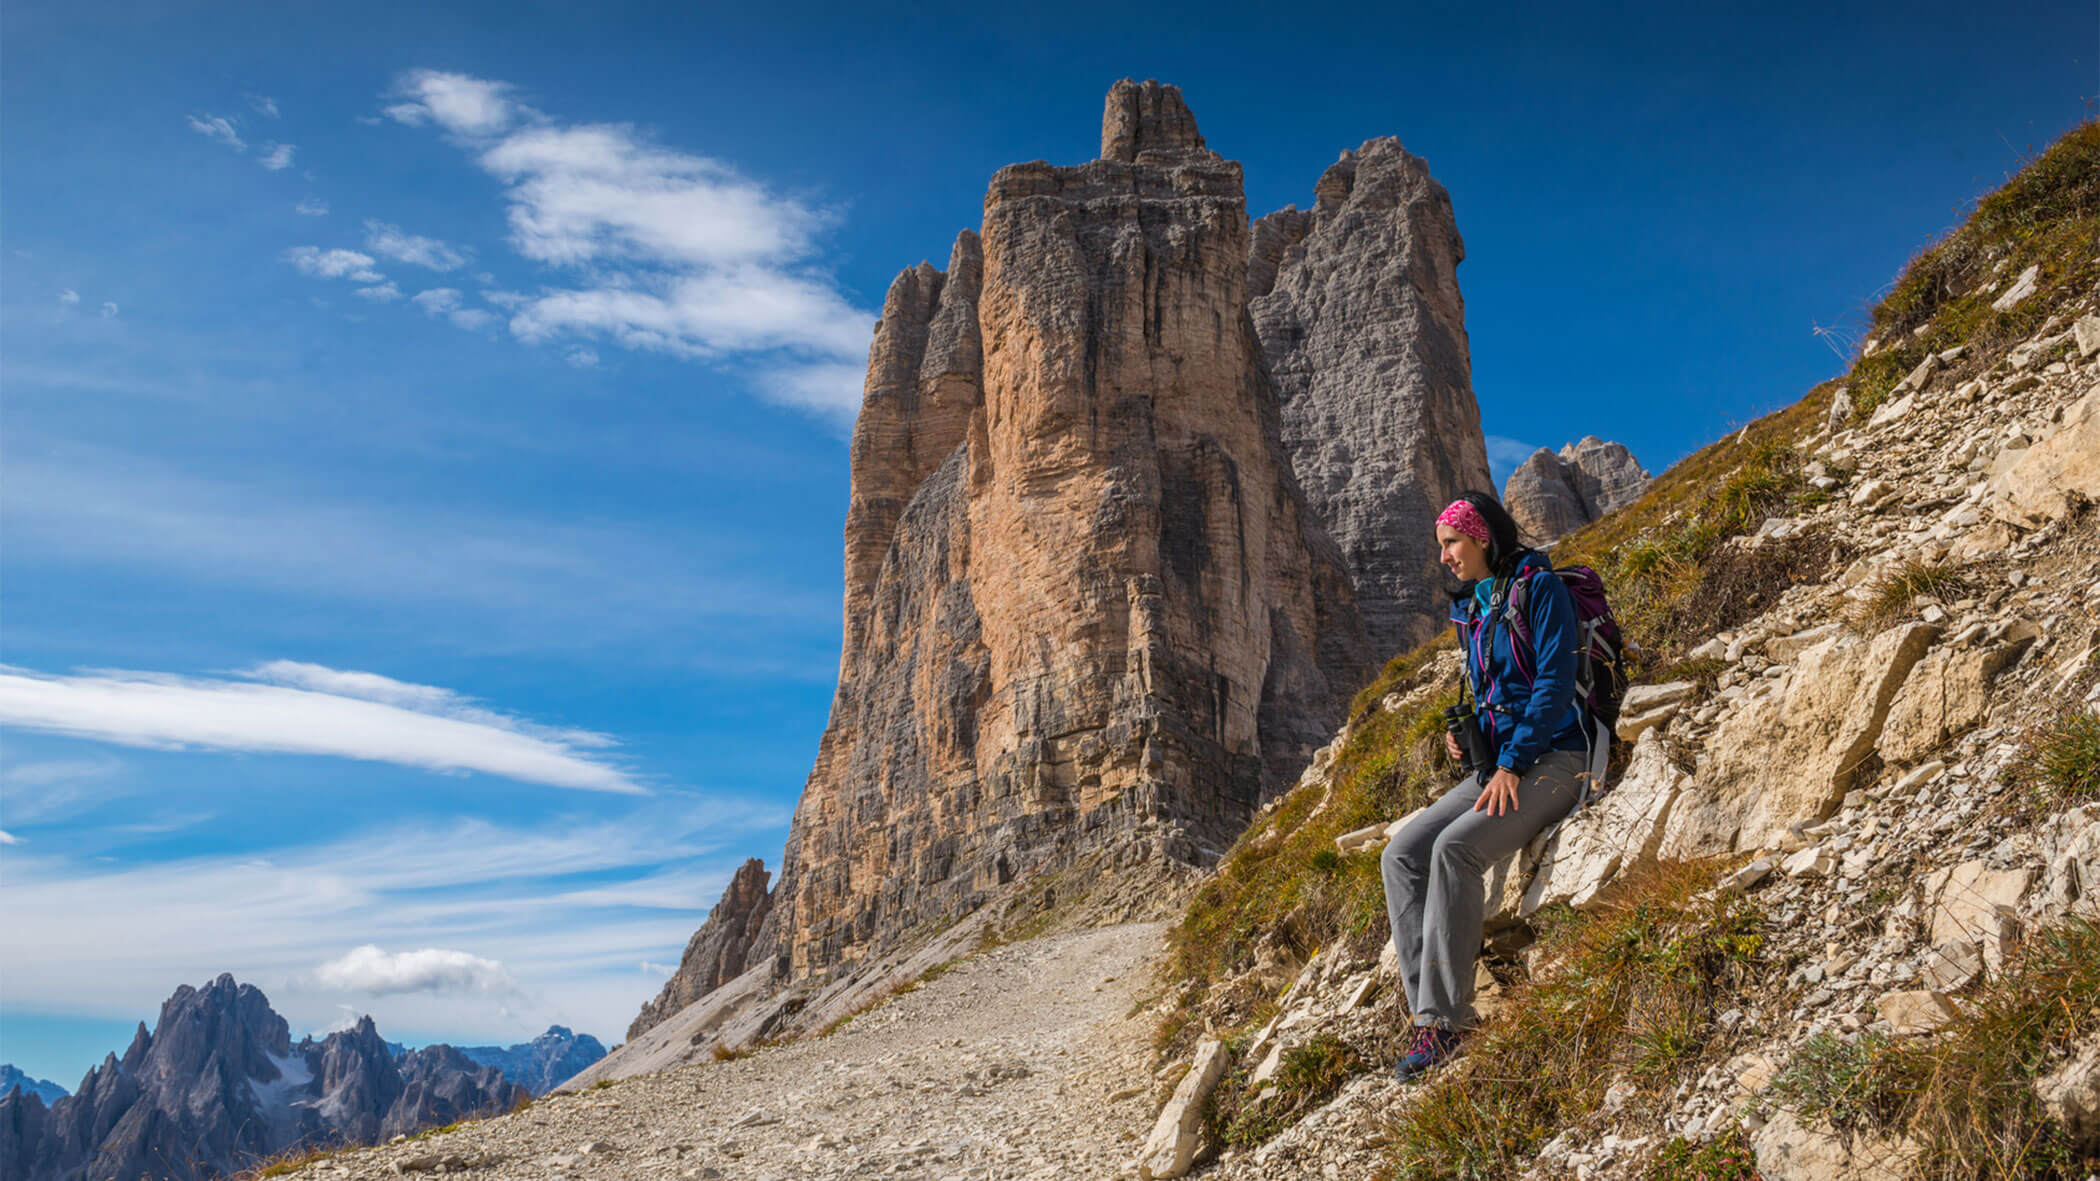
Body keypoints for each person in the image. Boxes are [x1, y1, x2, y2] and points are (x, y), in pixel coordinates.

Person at [1380, 492, 1597, 1082]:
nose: (1445, 558)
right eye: (1441, 547)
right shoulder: (1474, 609)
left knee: (1456, 849)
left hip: (1559, 758)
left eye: (1451, 544)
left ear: (1481, 537)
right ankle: (1431, 1011)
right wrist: (1470, 739)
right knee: (1401, 854)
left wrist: (1512, 761)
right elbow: (1494, 692)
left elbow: (1553, 684)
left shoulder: (1538, 587)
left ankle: (1446, 1025)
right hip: (1501, 764)